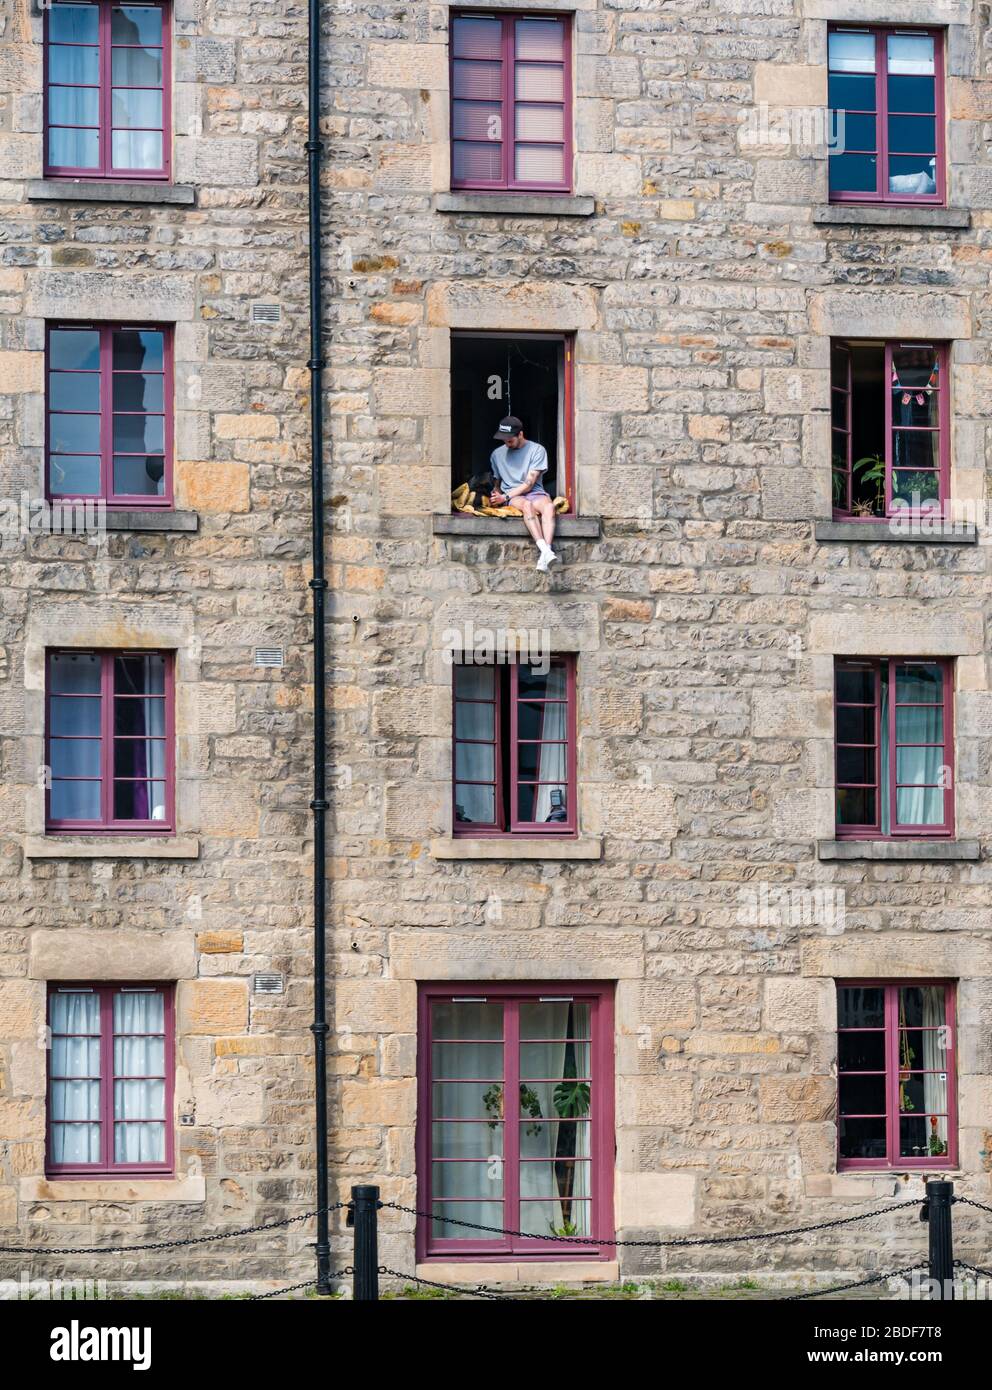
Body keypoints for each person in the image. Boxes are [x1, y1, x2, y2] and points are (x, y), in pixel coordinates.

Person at [489, 416, 559, 572]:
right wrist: (497, 493)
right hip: (515, 497)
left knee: (549, 507)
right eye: (504, 439)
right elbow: (497, 481)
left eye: (510, 440)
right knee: (526, 505)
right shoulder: (496, 455)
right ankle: (546, 552)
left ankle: (545, 553)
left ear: (520, 434)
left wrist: (504, 496)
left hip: (534, 492)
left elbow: (529, 484)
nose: (506, 443)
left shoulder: (537, 450)